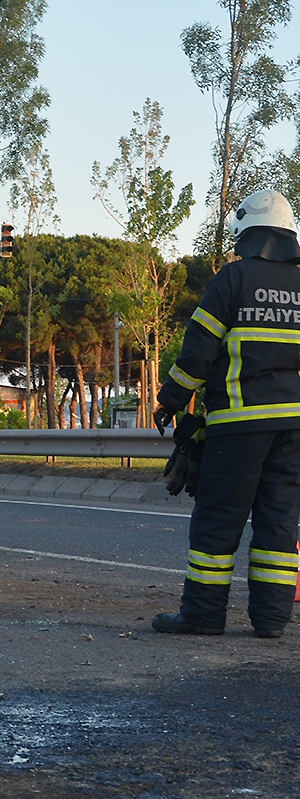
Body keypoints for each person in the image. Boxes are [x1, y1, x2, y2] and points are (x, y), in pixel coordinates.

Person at [152, 189, 300, 639]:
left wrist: (171, 399)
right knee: (280, 520)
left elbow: (198, 352)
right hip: (294, 429)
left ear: (246, 231)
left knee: (219, 519)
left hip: (239, 424)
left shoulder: (232, 280)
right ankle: (272, 620)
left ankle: (202, 614)